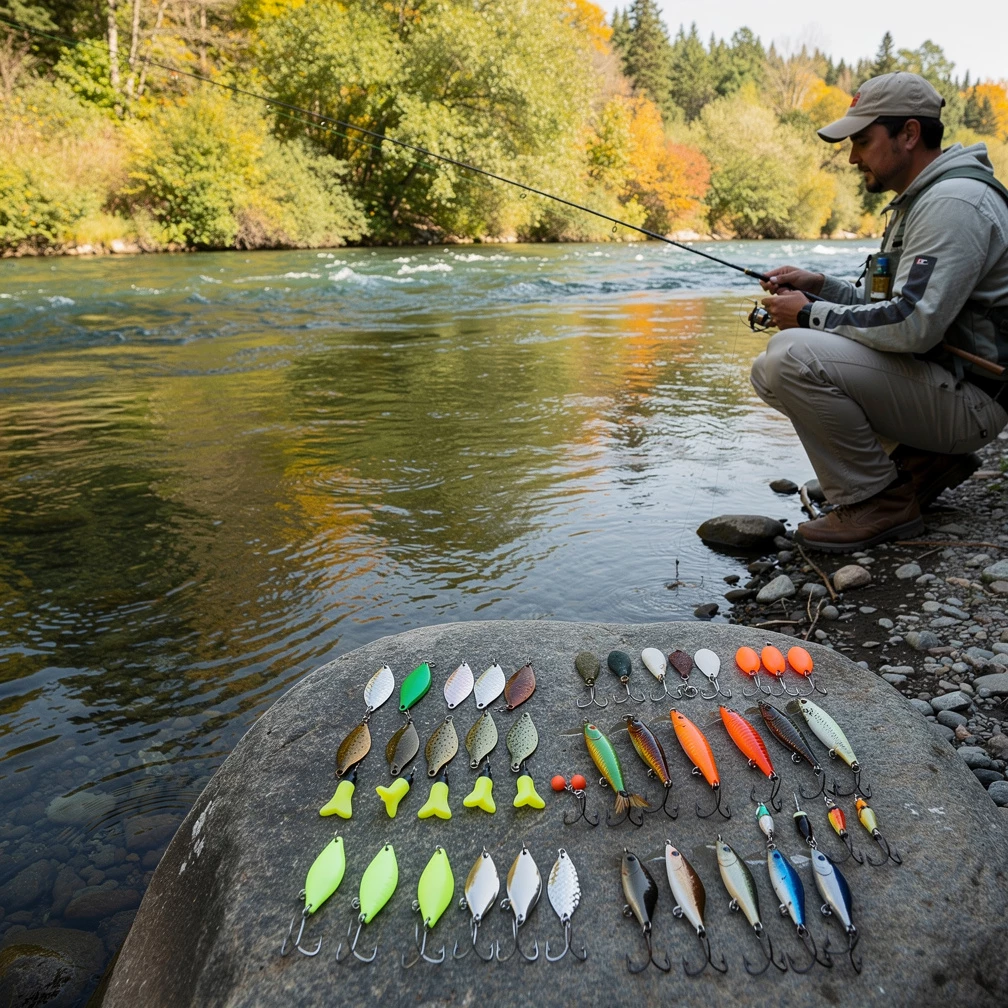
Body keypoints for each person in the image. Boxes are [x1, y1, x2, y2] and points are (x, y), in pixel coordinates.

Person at [752, 71, 1008, 552]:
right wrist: (821, 288)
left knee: (791, 355)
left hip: (973, 400)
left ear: (909, 134)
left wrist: (810, 315)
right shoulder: (923, 201)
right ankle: (920, 464)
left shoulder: (954, 202)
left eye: (863, 141)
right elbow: (884, 308)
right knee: (768, 369)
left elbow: (911, 324)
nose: (852, 156)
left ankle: (880, 501)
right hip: (942, 382)